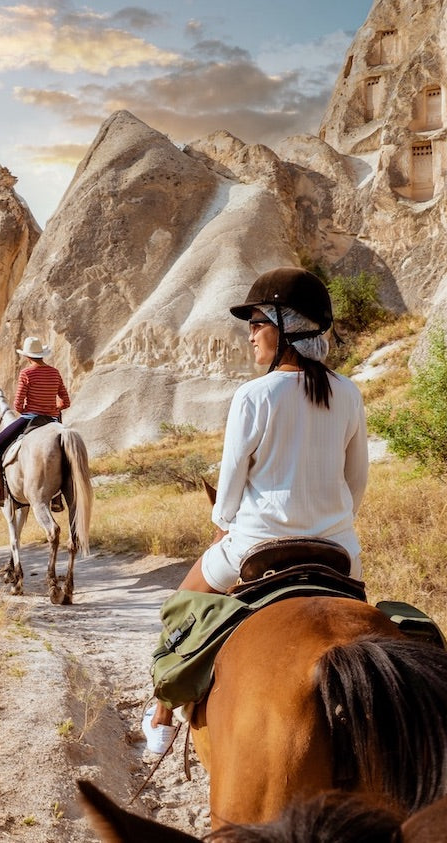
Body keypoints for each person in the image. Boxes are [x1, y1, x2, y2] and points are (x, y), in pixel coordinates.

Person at [146, 266, 369, 741]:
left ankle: (163, 718)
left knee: (181, 606)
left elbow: (229, 487)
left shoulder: (254, 395)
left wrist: (223, 524)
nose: (250, 335)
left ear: (287, 327)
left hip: (254, 545)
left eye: (258, 322)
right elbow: (357, 483)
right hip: (338, 551)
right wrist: (329, 522)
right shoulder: (349, 394)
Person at [0, 336, 71, 508]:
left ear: (27, 357)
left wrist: (34, 406)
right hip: (51, 420)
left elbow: (18, 405)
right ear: (42, 355)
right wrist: (51, 406)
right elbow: (65, 402)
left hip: (31, 419)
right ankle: (56, 499)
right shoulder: (54, 372)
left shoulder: (26, 373)